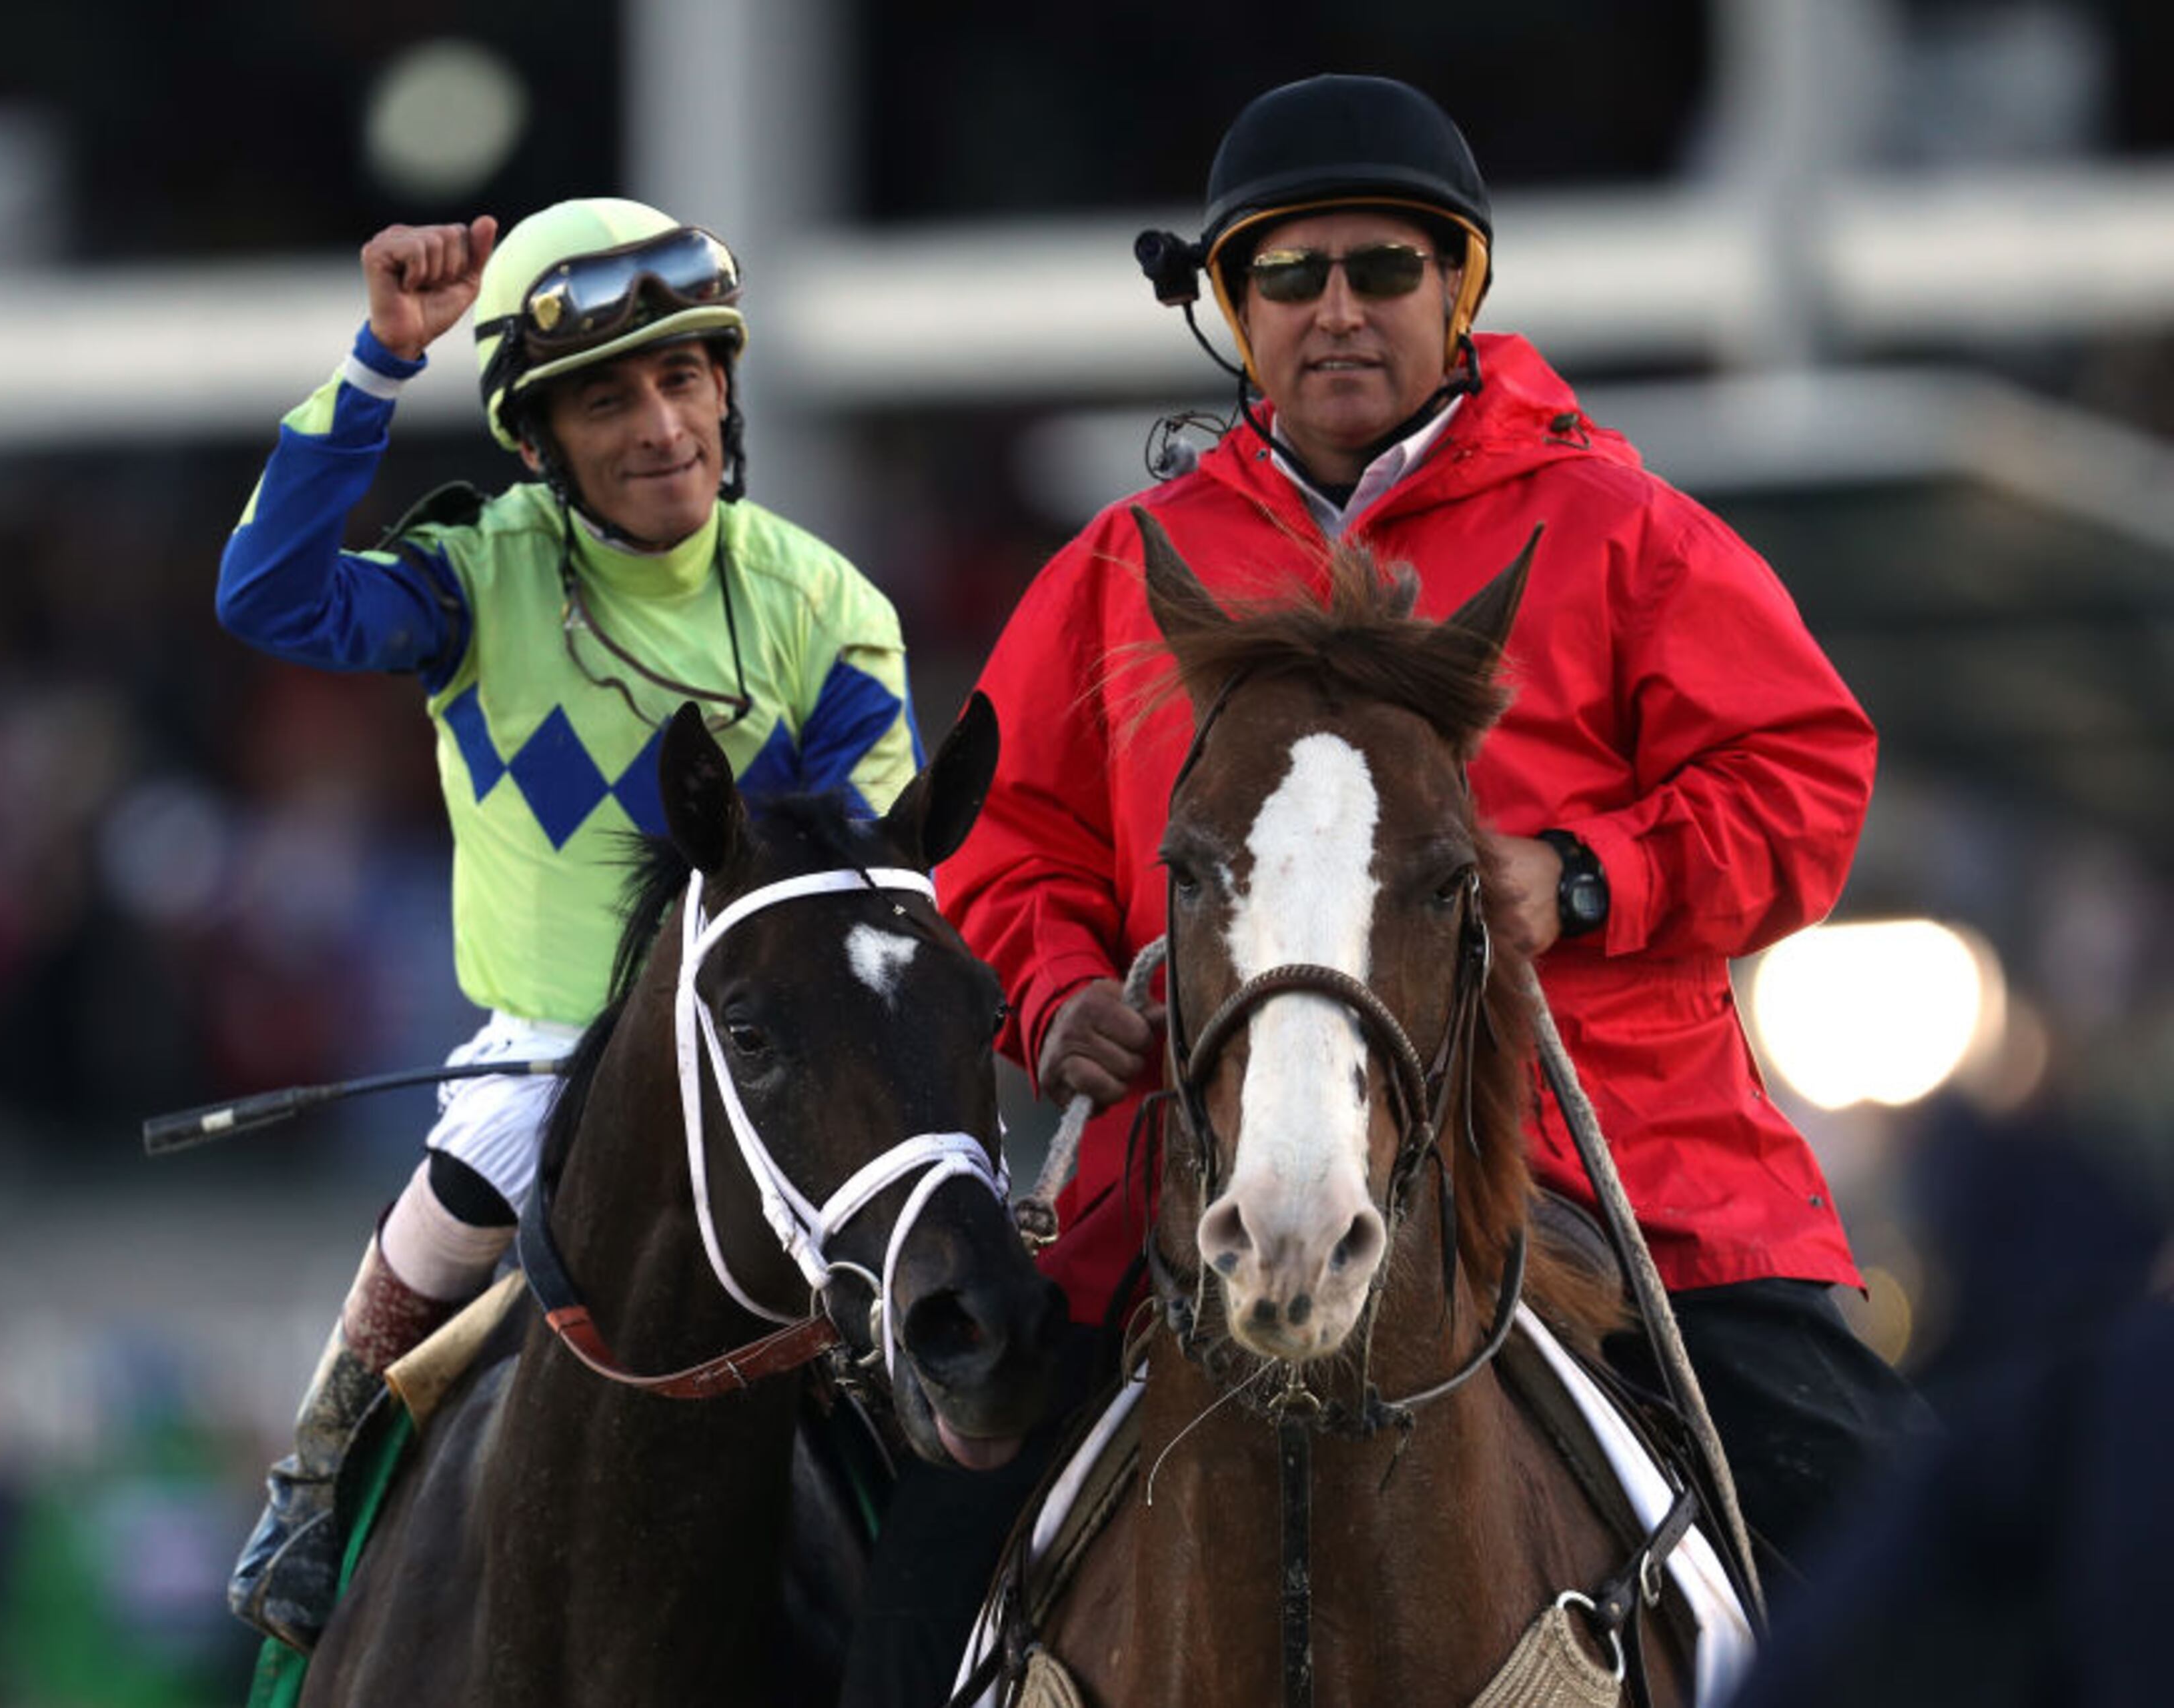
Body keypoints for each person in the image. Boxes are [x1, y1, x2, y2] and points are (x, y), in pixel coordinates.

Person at [931, 67, 1926, 1627]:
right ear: (1232, 310)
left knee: (1929, 1588)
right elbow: (998, 843)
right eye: (1289, 275)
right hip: (1197, 1177)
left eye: (1385, 268)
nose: (1338, 311)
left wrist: (1587, 877)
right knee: (911, 1595)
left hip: (1611, 1180)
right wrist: (1057, 990)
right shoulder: (1123, 565)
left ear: (1457, 294)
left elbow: (1804, 778)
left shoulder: (1622, 527)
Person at [213, 197, 923, 1652]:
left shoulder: (827, 607)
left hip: (768, 1049)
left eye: (684, 378)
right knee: (470, 1173)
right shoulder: (479, 575)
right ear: (535, 444)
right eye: (607, 400)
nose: (663, 427)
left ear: (725, 387)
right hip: (545, 1053)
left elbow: (870, 879)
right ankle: (316, 1475)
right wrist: (377, 365)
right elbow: (268, 596)